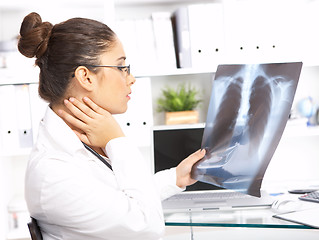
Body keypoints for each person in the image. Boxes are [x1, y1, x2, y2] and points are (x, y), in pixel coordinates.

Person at [18, 12, 205, 240]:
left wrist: (175, 177)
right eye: (121, 67)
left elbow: (113, 202)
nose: (131, 78)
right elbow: (147, 225)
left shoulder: (77, 143)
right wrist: (117, 140)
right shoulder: (53, 173)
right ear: (86, 77)